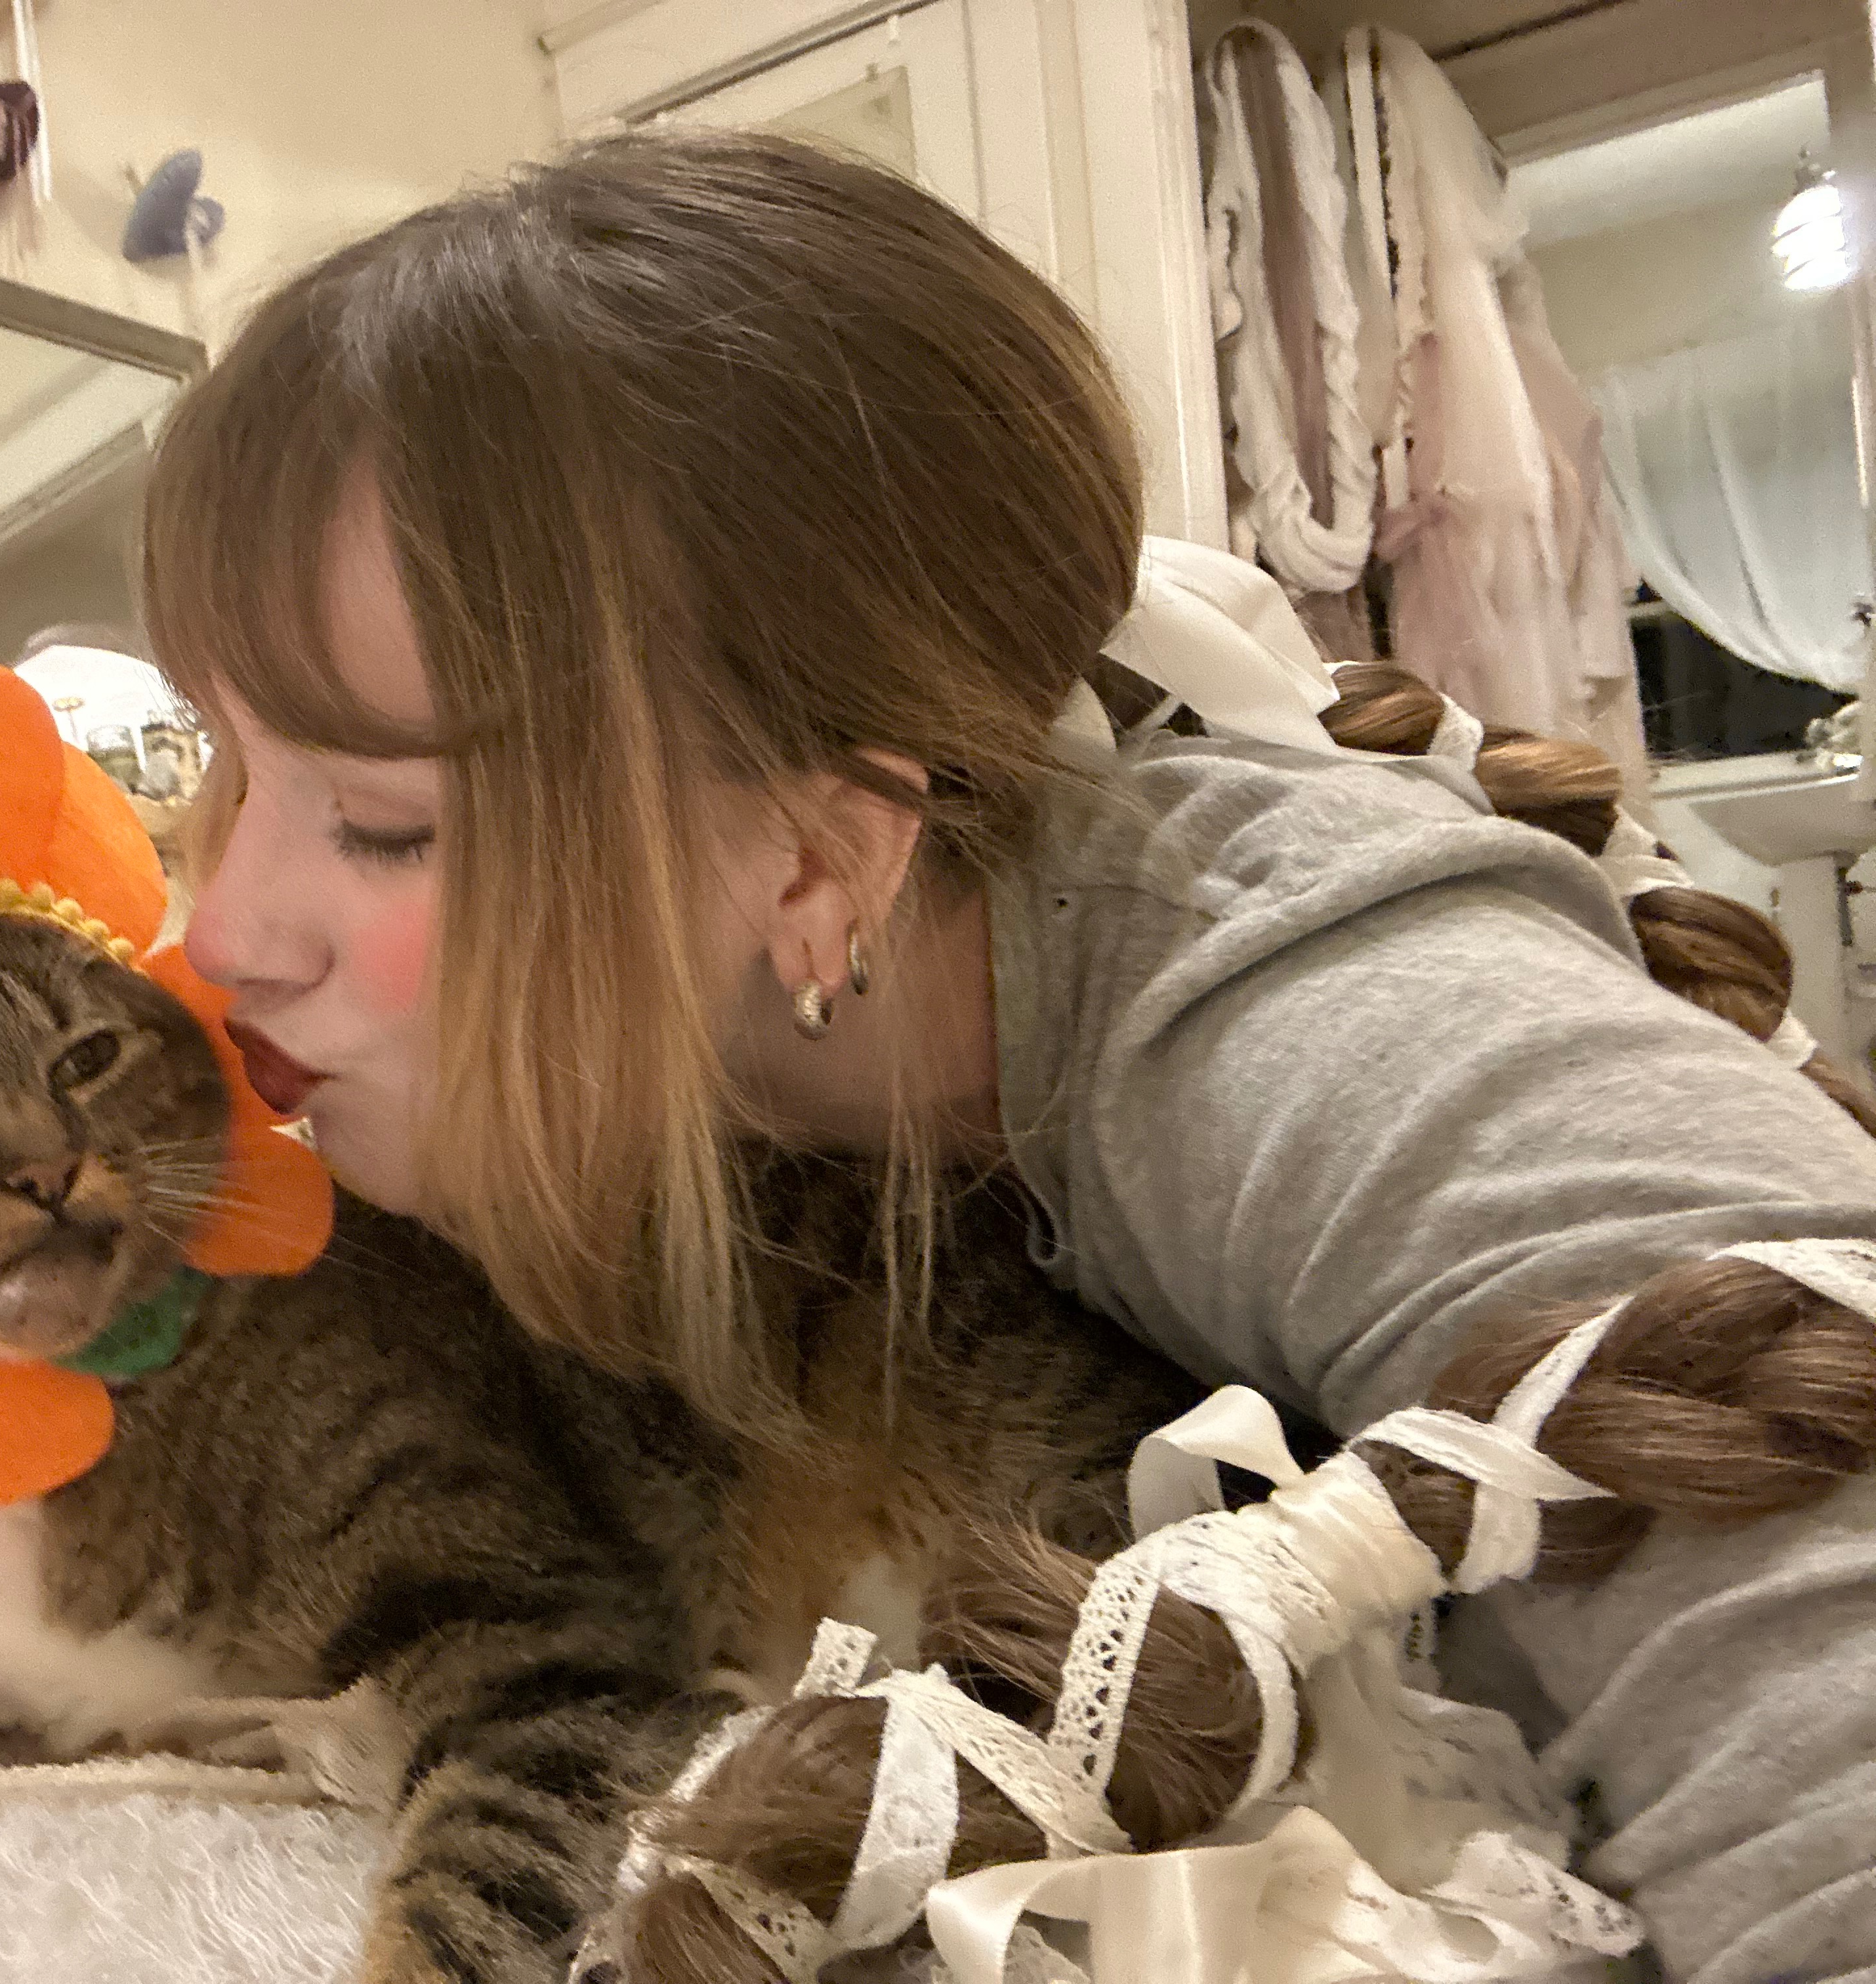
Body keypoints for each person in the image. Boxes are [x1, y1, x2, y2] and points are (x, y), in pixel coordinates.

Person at [140, 131, 1876, 1979]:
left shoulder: (1317, 1032)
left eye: (382, 825)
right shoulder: (801, 1057)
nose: (225, 930)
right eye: (226, 765)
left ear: (817, 860)